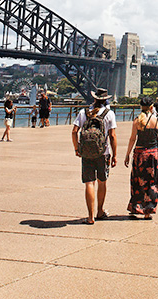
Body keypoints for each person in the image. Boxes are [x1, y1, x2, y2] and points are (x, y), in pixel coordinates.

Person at [71, 88, 116, 224]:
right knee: (102, 182)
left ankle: (90, 217)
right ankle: (100, 211)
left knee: (89, 183)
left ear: (94, 99)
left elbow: (74, 132)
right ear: (105, 100)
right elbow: (112, 136)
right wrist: (115, 155)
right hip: (103, 153)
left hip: (86, 153)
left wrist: (77, 148)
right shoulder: (110, 114)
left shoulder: (84, 112)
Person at [124, 95, 158, 220]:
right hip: (153, 155)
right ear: (151, 107)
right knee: (152, 182)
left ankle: (137, 207)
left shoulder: (137, 120)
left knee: (138, 181)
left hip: (139, 155)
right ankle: (148, 211)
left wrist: (127, 154)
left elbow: (133, 138)